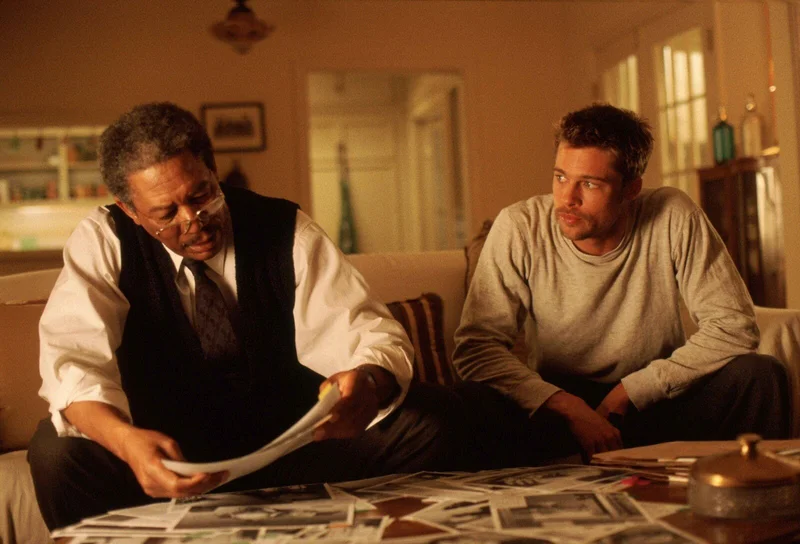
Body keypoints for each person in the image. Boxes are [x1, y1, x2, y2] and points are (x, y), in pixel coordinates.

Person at [28, 102, 470, 530]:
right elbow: (73, 363)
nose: (193, 221)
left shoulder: (284, 227)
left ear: (212, 169)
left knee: (433, 423)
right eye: (166, 214)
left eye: (201, 195)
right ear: (130, 210)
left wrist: (368, 383)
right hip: (164, 458)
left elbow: (368, 333)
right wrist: (126, 443)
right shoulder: (104, 239)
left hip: (292, 449)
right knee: (56, 456)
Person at [454, 103, 790, 465]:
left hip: (654, 398)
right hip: (558, 406)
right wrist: (566, 406)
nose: (567, 199)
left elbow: (734, 325)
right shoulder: (520, 227)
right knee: (472, 400)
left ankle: (753, 489)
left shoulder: (672, 214)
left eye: (589, 184)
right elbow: (476, 348)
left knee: (760, 375)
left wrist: (632, 390)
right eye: (561, 177)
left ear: (631, 188)